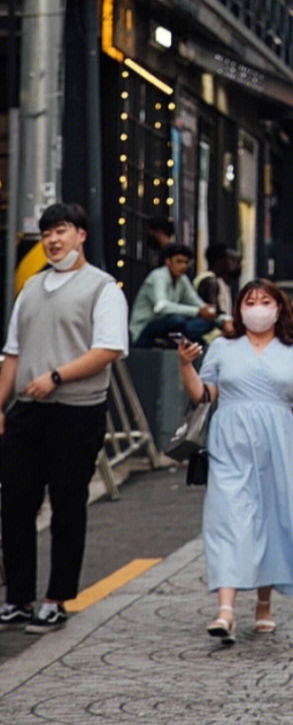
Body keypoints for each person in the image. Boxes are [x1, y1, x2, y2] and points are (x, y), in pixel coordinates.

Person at [176, 279, 293, 643]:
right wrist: (186, 366)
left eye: (265, 301)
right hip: (229, 438)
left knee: (272, 514)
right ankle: (225, 610)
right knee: (227, 516)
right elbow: (203, 394)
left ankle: (264, 602)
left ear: (279, 308)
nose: (257, 307)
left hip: (278, 439)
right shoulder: (222, 347)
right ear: (239, 308)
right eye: (250, 301)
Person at [0, 203, 129, 633]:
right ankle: (18, 597)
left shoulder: (104, 288)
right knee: (15, 504)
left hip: (77, 413)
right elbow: (12, 353)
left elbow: (108, 349)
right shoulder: (31, 289)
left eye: (61, 232)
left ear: (81, 235)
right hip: (27, 413)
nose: (53, 241)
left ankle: (56, 599)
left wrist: (56, 377)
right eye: (46, 235)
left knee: (68, 506)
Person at [130, 243, 220, 348]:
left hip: (167, 326)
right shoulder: (158, 276)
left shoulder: (182, 279)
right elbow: (161, 307)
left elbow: (196, 302)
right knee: (178, 321)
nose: (183, 266)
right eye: (179, 261)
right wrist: (197, 312)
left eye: (186, 262)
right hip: (144, 329)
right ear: (168, 261)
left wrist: (216, 316)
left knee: (206, 323)